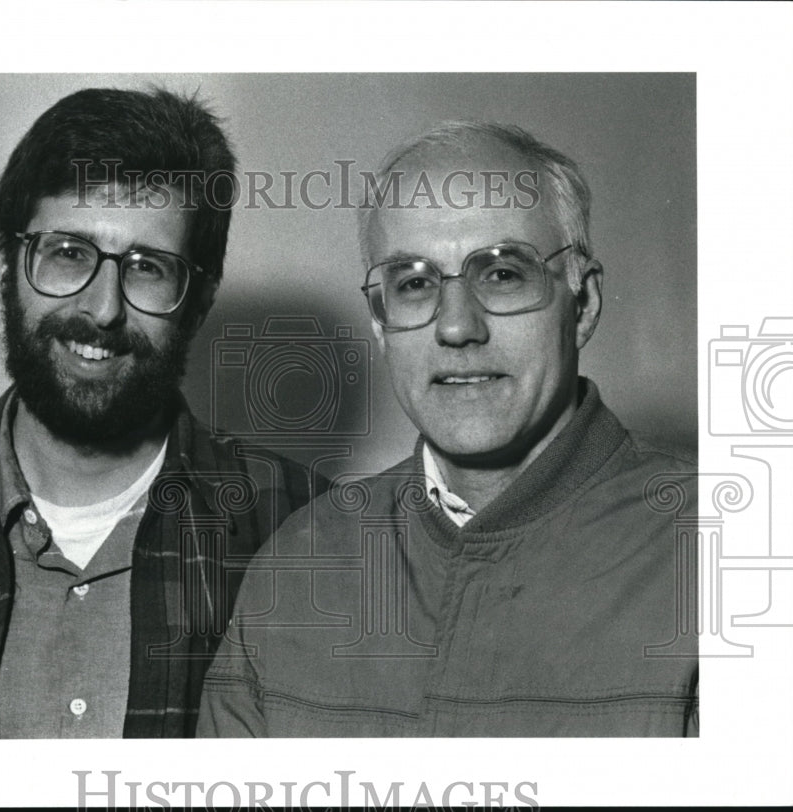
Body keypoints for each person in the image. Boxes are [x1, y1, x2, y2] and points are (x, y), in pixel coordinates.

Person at [197, 122, 698, 737]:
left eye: (503, 274)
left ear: (584, 304)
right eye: (415, 283)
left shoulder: (718, 557)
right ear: (381, 324)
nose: (457, 327)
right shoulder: (298, 563)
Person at [0, 88, 322, 739]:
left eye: (148, 267)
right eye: (68, 253)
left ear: (198, 300)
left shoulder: (312, 534)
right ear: (4, 267)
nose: (103, 308)